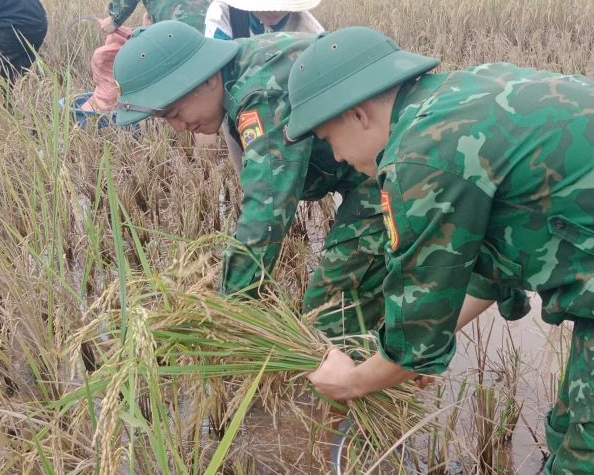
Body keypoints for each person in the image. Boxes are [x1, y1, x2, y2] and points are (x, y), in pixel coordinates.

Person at [287, 26, 594, 473]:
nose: (338, 158)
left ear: (358, 114)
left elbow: (415, 341)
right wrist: (406, 356)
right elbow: (488, 272)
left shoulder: (421, 155)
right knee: (576, 433)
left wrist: (355, 381)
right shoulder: (463, 97)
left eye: (331, 140)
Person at [109, 20, 391, 338]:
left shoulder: (260, 93)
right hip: (368, 172)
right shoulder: (241, 64)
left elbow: (266, 212)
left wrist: (227, 310)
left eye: (175, 112)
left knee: (329, 318)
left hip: (391, 175)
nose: (178, 128)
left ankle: (373, 372)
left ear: (208, 77)